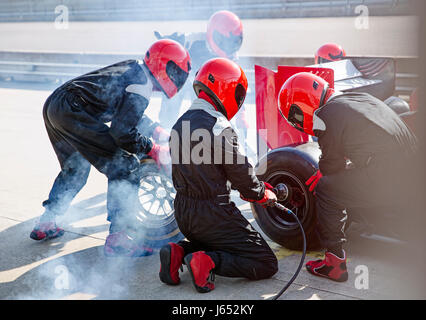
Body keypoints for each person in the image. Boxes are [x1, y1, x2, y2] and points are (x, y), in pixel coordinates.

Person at [31, 39, 191, 257]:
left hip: (56, 106)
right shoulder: (141, 85)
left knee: (75, 169)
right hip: (73, 109)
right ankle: (119, 238)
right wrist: (153, 148)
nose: (178, 78)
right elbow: (122, 133)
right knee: (126, 166)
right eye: (177, 72)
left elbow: (126, 113)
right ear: (165, 65)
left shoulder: (135, 71)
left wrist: (156, 130)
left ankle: (47, 221)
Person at [278, 72, 417, 282]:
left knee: (326, 188)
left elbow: (332, 165)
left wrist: (322, 172)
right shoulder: (362, 98)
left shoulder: (327, 114)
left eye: (295, 116)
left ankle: (334, 262)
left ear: (302, 105)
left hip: (389, 178)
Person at [159, 58, 278, 293]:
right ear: (227, 88)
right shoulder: (218, 126)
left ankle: (179, 252)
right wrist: (262, 193)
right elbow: (241, 173)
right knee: (266, 263)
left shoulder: (178, 124)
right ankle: (209, 262)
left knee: (216, 240)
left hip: (183, 213)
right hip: (214, 214)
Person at [154, 10, 249, 145]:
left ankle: (206, 141)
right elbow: (170, 43)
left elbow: (235, 85)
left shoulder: (231, 54)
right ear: (213, 34)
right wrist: (166, 42)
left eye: (234, 42)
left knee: (208, 112)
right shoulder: (191, 41)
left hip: (204, 83)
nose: (230, 47)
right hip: (184, 77)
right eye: (226, 41)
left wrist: (241, 115)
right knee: (172, 96)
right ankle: (164, 136)